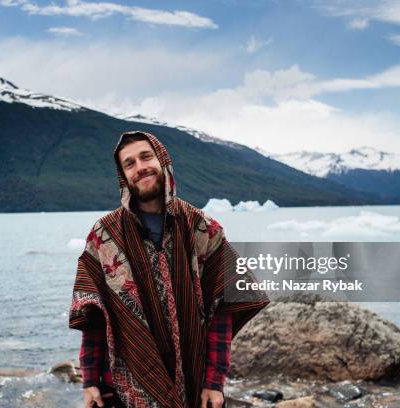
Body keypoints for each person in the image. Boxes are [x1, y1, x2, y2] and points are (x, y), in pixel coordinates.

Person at [69, 131, 269, 408]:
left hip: (192, 381)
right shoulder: (105, 235)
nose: (140, 167)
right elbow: (93, 317)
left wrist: (214, 382)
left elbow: (222, 309)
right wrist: (89, 381)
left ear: (163, 161)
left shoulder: (202, 228)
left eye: (146, 157)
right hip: (123, 388)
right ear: (123, 176)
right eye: (130, 164)